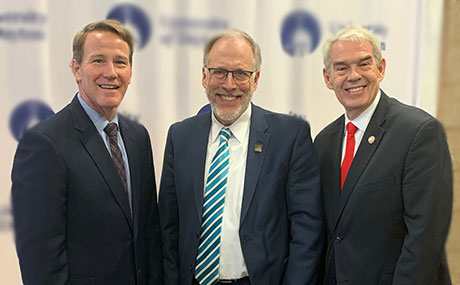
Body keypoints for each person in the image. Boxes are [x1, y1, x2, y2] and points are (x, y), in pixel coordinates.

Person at [159, 29, 324, 285]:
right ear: (204, 76)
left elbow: (307, 230)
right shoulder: (180, 136)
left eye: (240, 74)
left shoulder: (289, 137)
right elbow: (168, 226)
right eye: (219, 72)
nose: (229, 84)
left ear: (256, 79)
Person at [11, 19, 162, 284]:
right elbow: (40, 264)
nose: (111, 72)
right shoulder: (45, 144)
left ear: (130, 71)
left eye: (120, 62)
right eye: (98, 61)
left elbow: (147, 236)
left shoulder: (138, 138)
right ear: (76, 69)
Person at [314, 26, 453, 284]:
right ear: (328, 77)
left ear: (381, 68)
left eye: (364, 64)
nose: (353, 76)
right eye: (341, 68)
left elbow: (424, 238)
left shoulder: (418, 132)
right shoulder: (324, 143)